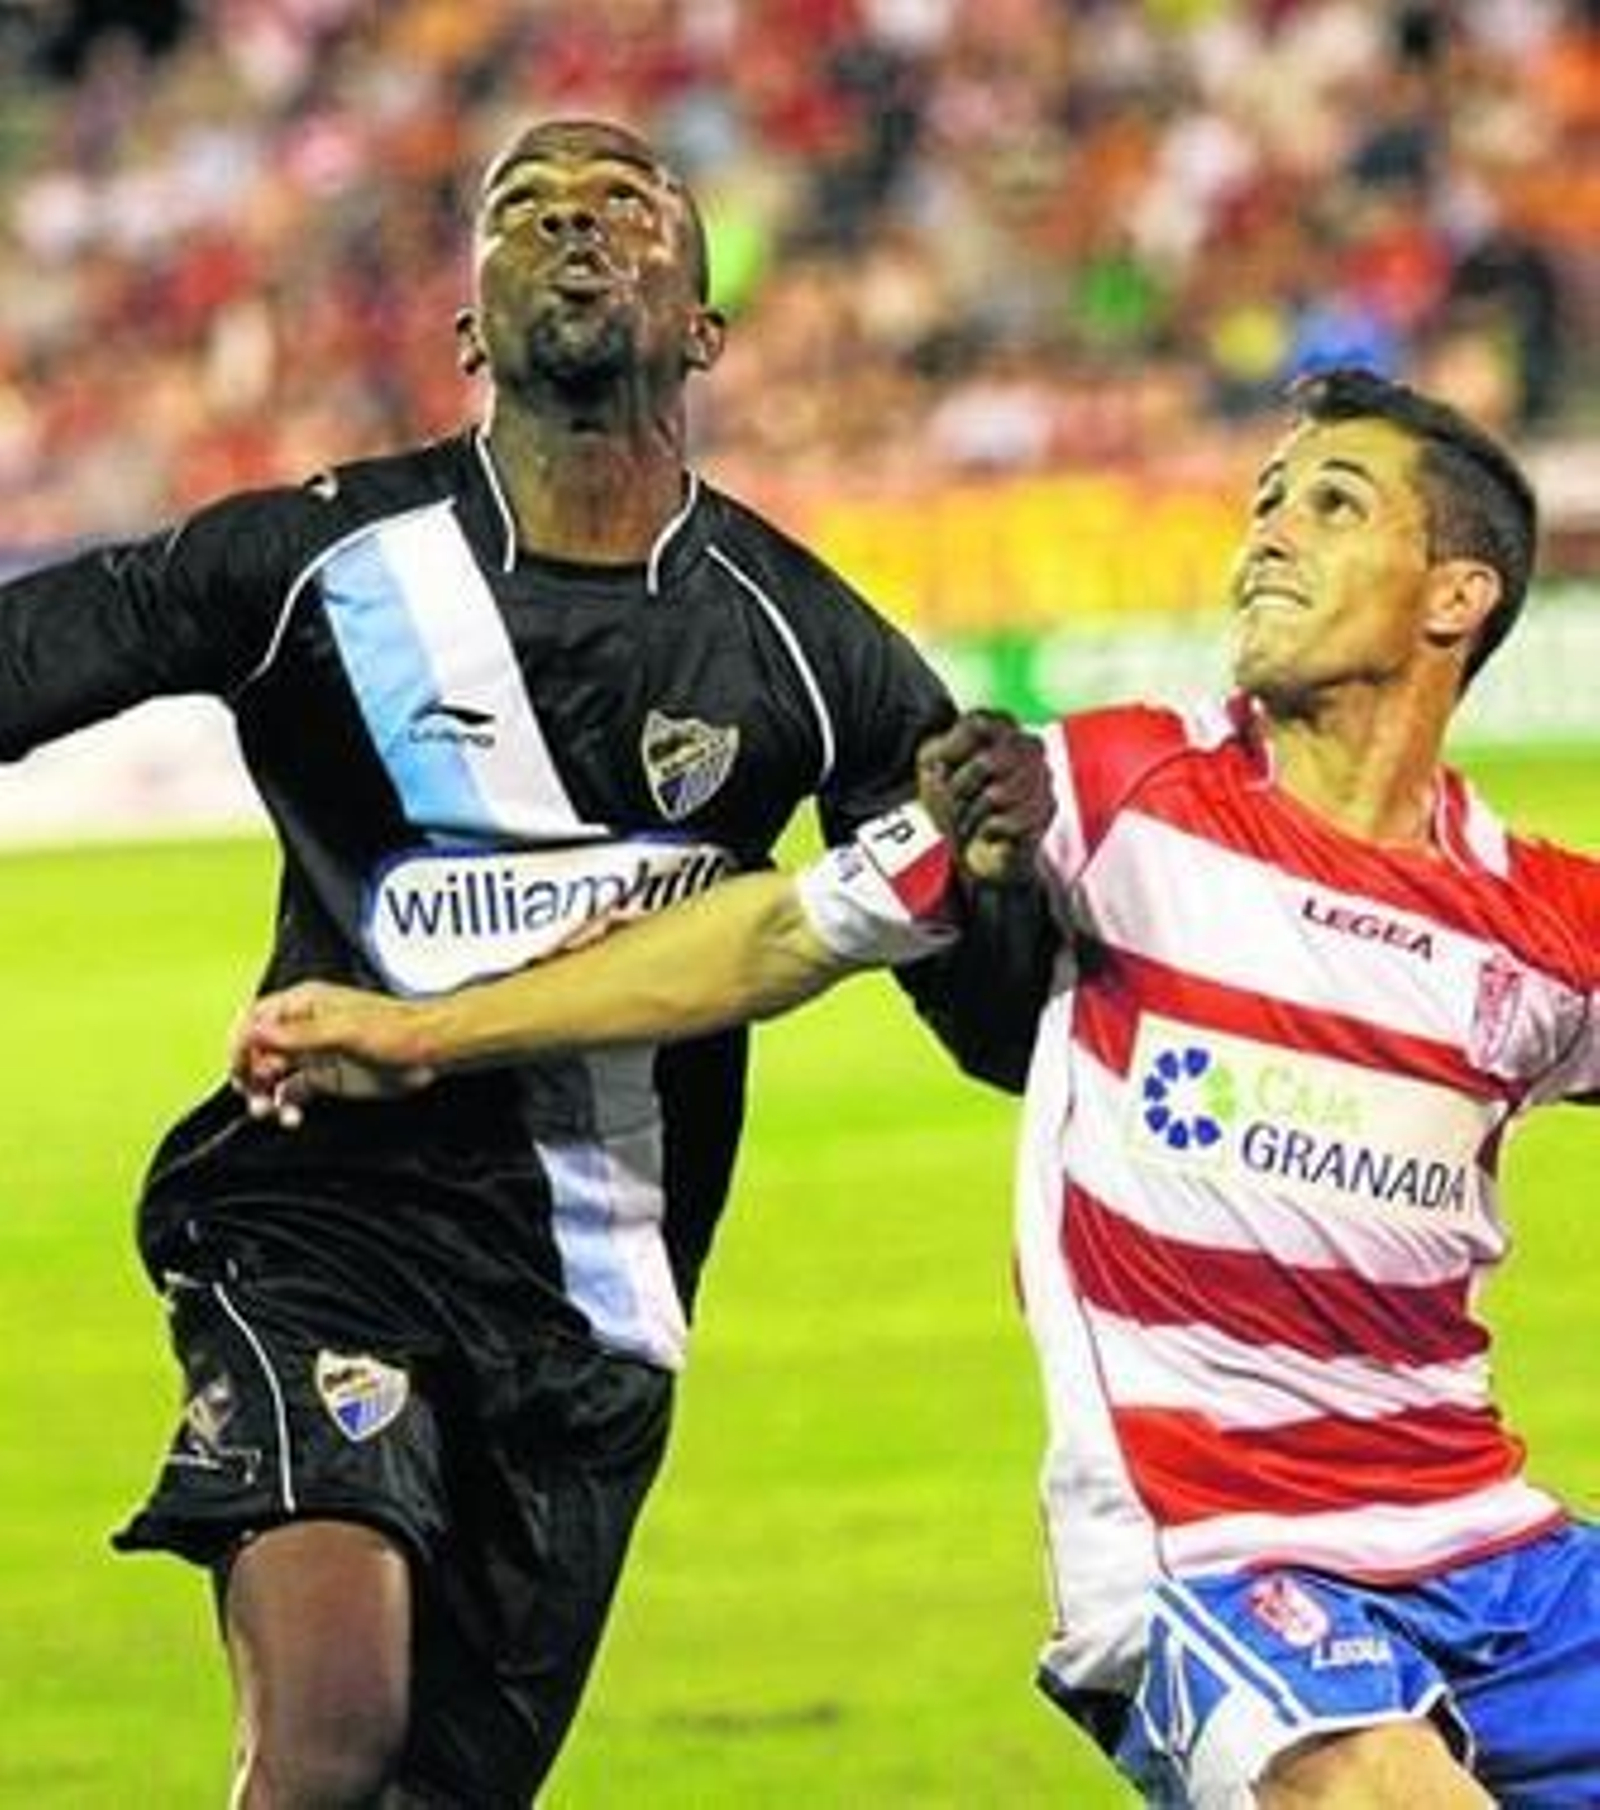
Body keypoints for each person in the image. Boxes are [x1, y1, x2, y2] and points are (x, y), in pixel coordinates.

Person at [237, 367, 1600, 1808]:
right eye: (1266, 499)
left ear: (1456, 597)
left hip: (1490, 1534)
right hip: (1221, 1553)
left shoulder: (1544, 926)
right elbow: (775, 929)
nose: (1268, 532)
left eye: (1333, 504)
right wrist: (422, 1028)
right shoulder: (1111, 788)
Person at [0, 118, 1050, 1807]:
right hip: (319, 1217)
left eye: (628, 206)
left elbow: (1000, 1033)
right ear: (469, 327)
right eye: (527, 207)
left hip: (595, 1305)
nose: (576, 224)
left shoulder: (809, 642)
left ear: (705, 323)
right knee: (329, 1747)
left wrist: (992, 875)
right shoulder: (316, 563)